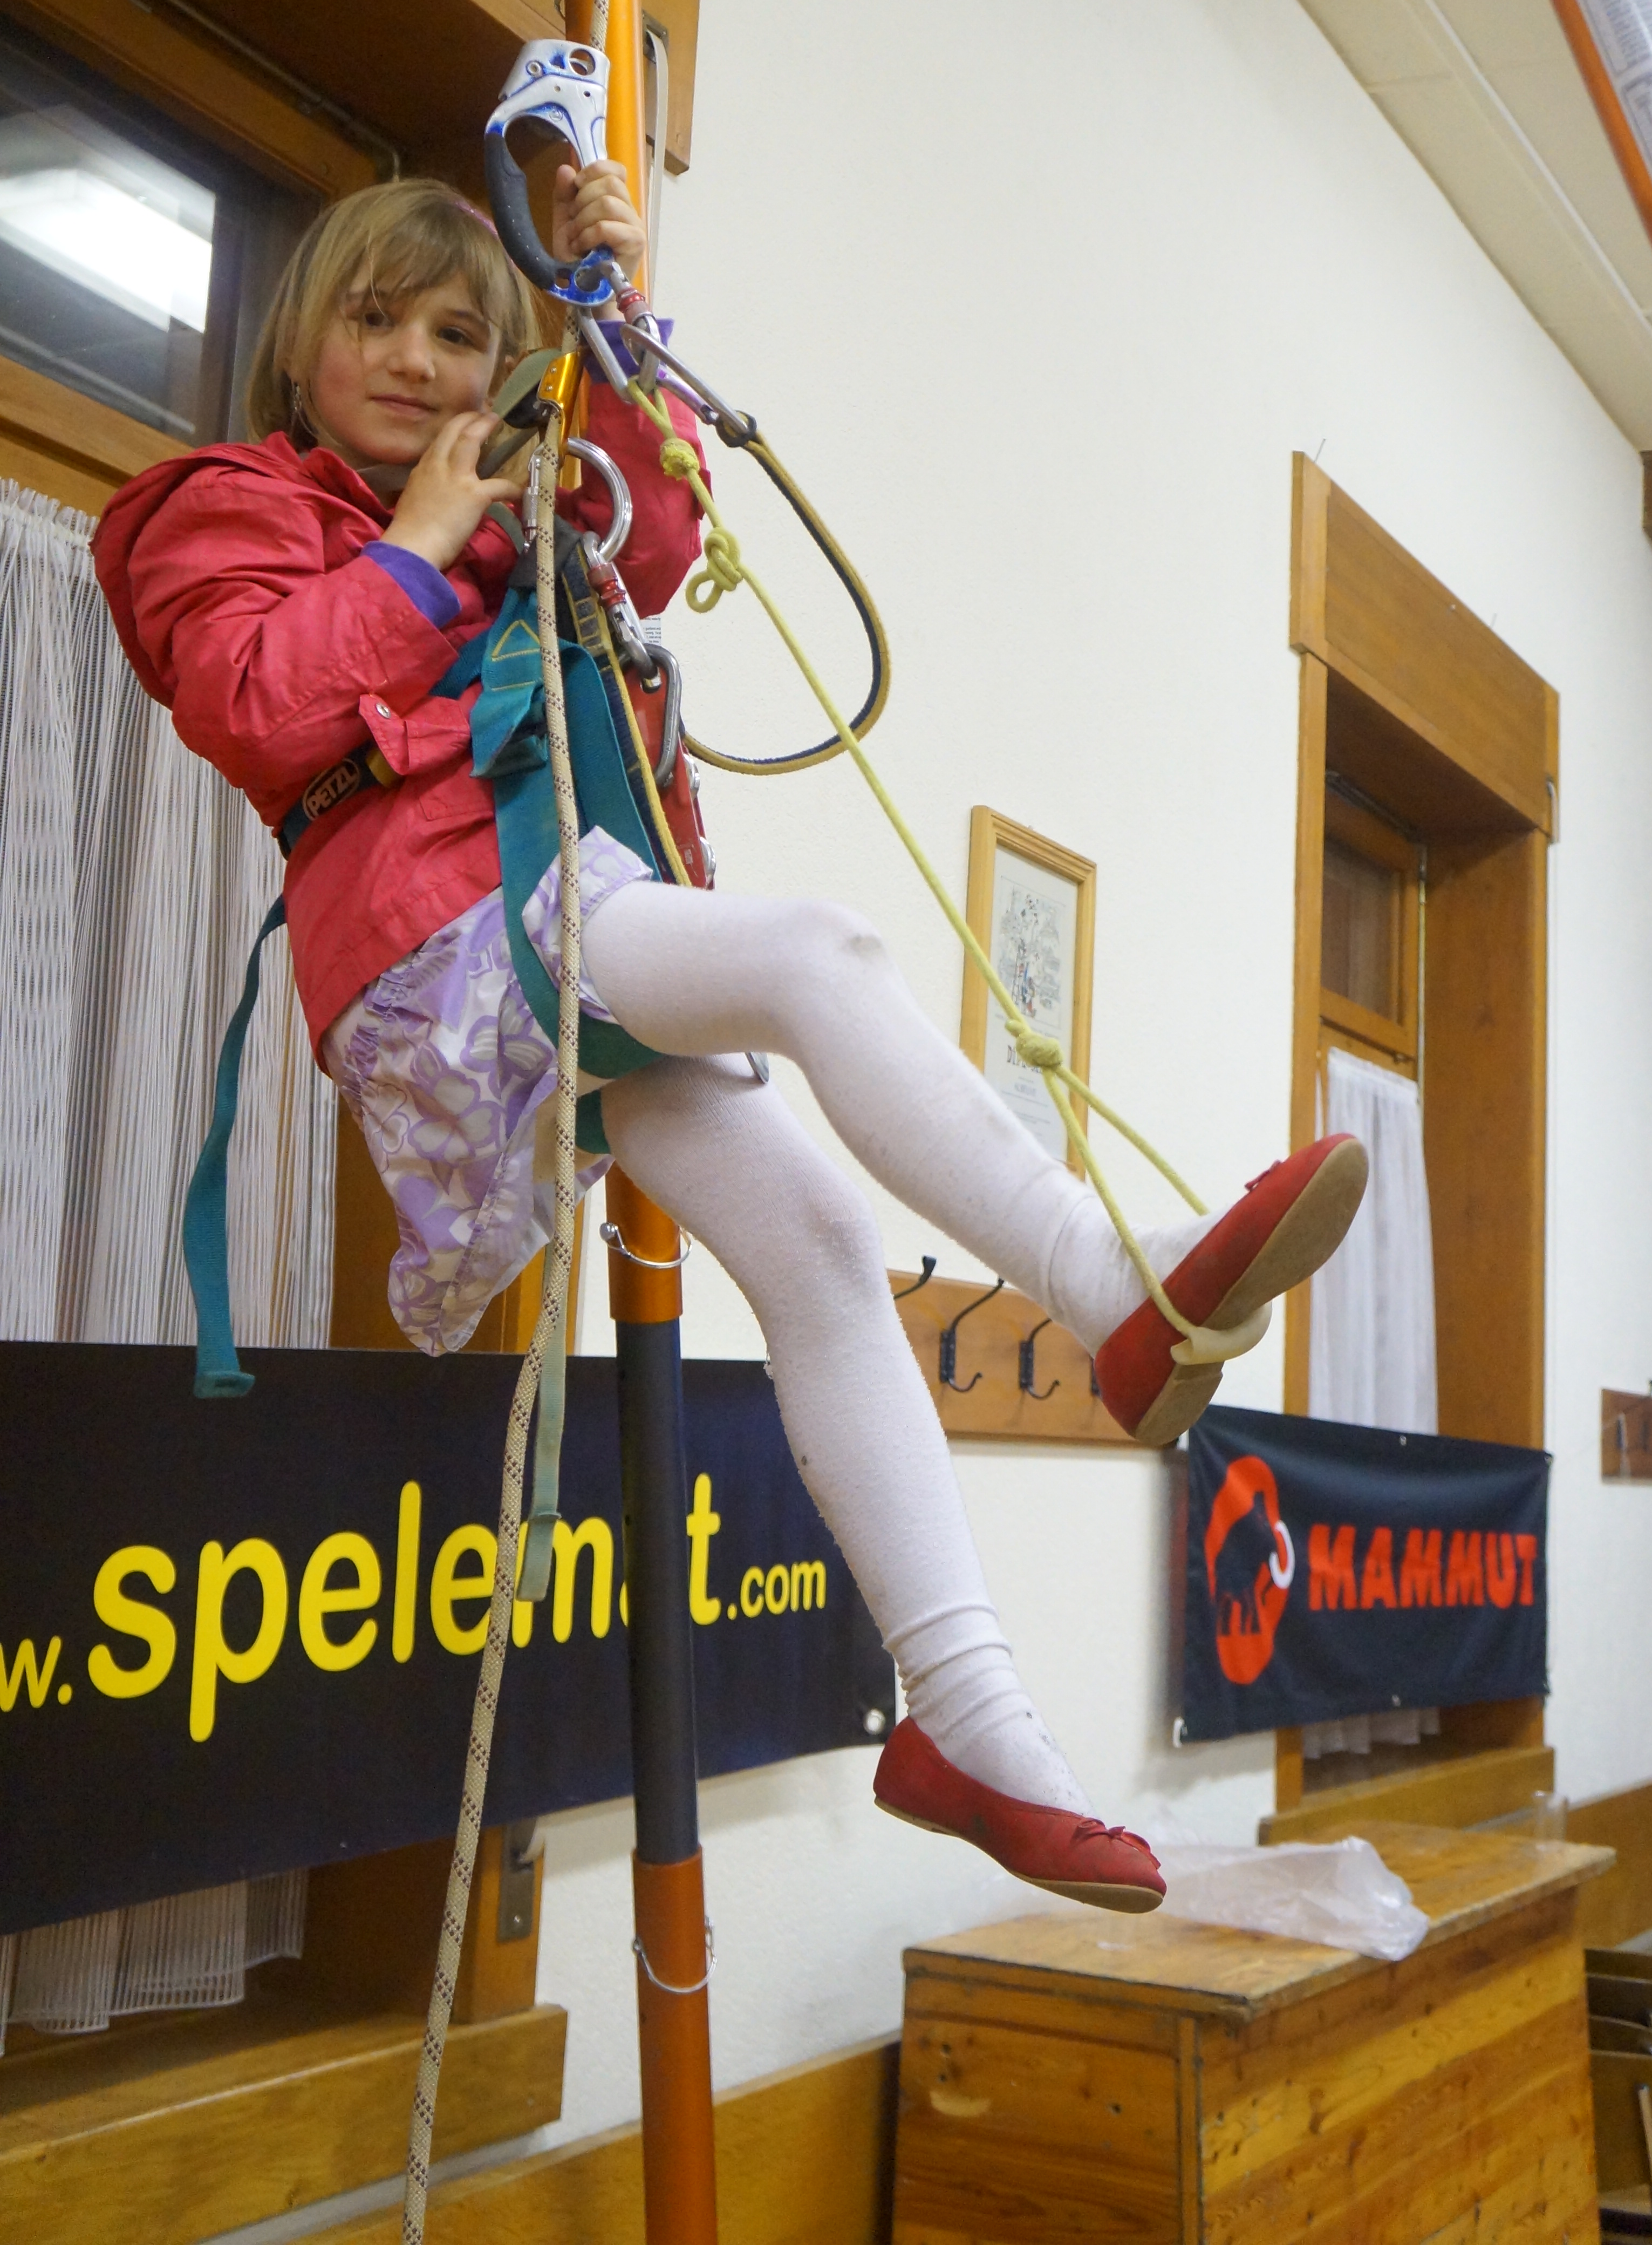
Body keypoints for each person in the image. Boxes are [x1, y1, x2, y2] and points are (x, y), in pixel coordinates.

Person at [95, 166, 1366, 1915]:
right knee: (820, 956)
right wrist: (408, 547)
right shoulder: (228, 503)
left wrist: (614, 321)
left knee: (824, 1243)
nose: (412, 361)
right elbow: (249, 703)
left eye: (458, 332)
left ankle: (974, 1728)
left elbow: (656, 546)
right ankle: (1099, 1282)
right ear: (296, 341)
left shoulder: (523, 498)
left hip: (558, 898)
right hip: (442, 938)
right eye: (371, 320)